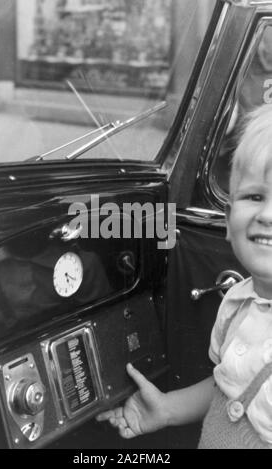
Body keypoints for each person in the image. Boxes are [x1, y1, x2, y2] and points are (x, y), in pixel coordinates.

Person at [97, 104, 272, 449]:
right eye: (255, 196)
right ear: (228, 217)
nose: (267, 214)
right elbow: (227, 384)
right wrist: (166, 410)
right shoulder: (236, 303)